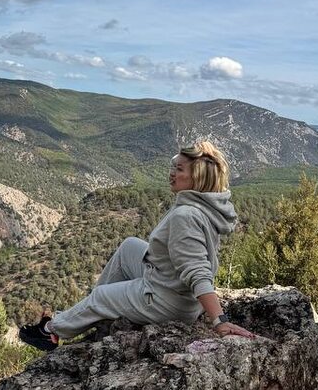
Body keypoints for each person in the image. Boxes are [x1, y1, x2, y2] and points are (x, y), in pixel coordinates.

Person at [19, 139, 254, 350]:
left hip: (167, 301)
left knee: (101, 296)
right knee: (130, 246)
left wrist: (219, 321)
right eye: (173, 166)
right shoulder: (205, 206)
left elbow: (196, 270)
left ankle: (51, 331)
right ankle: (100, 315)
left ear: (197, 178)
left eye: (179, 169)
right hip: (173, 286)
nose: (172, 173)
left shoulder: (185, 216)